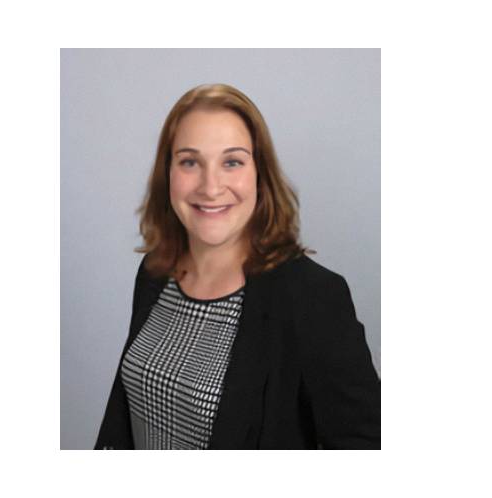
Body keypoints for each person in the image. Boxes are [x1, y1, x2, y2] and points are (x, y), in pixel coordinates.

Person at [94, 83, 380, 450]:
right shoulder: (155, 270)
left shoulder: (312, 297)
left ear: (260, 173)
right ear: (168, 174)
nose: (211, 187)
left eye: (232, 162)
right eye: (189, 161)